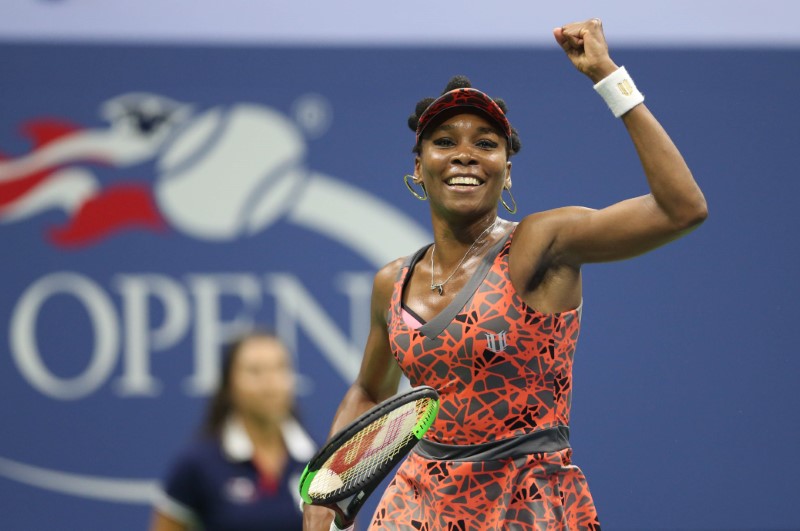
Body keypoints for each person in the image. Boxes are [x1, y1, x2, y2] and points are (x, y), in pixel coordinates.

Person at [303, 18, 707, 531]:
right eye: (445, 141)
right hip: (415, 508)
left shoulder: (540, 244)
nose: (465, 154)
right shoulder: (393, 282)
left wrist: (608, 76)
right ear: (419, 165)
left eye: (487, 143)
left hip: (528, 506)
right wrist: (326, 496)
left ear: (507, 168)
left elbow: (681, 209)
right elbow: (369, 391)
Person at [150, 330, 316, 531]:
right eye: (255, 371)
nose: (270, 383)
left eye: (279, 369)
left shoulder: (318, 461)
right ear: (230, 383)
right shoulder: (196, 464)